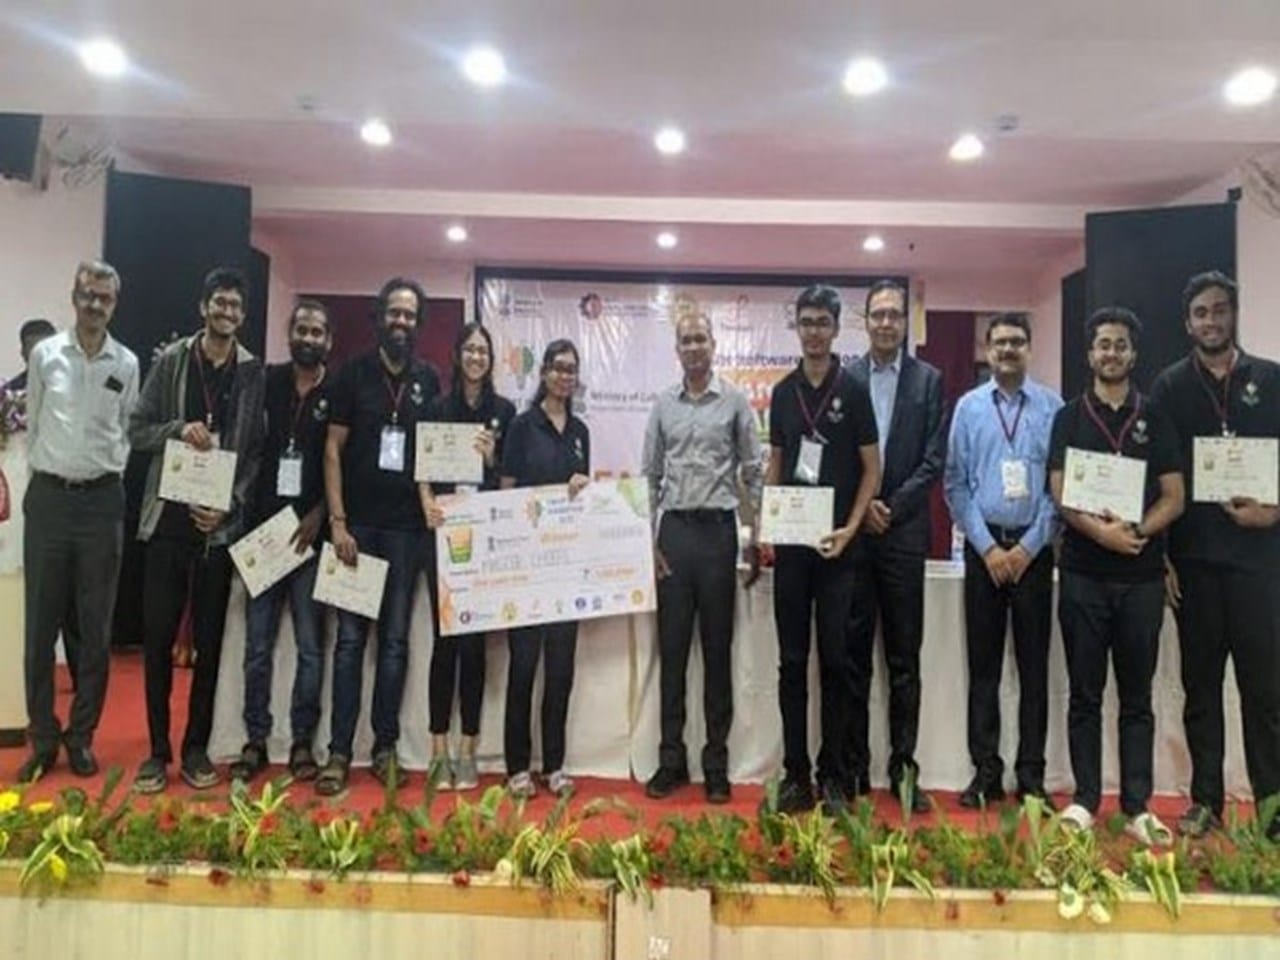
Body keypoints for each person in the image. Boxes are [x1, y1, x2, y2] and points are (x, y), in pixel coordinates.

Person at [1150, 271, 1280, 842]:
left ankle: (1273, 806)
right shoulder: (1169, 386)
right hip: (1194, 564)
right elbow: (1156, 477)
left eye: (1219, 310)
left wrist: (1273, 512)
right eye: (1200, 312)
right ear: (1187, 323)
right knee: (1200, 691)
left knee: (1265, 691)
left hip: (1260, 562)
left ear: (1234, 314)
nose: (1211, 321)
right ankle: (1206, 801)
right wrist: (1162, 558)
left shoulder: (1272, 380)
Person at [129, 266, 266, 793]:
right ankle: (156, 751)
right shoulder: (172, 360)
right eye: (219, 303)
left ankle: (194, 749)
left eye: (235, 306)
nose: (226, 312)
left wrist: (229, 508)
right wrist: (177, 430)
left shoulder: (251, 372)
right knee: (159, 639)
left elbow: (253, 453)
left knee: (209, 644)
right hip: (167, 522)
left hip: (217, 529)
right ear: (203, 307)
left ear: (242, 316)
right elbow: (136, 429)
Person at [1049, 307, 1183, 844]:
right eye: (1103, 344)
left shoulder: (1156, 417)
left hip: (1141, 578)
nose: (1111, 353)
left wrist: (1138, 531)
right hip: (1083, 573)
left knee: (1137, 698)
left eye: (1120, 345)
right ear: (1090, 354)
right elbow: (1059, 490)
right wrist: (1101, 534)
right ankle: (1085, 799)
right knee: (1084, 694)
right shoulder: (1069, 417)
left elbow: (1174, 495)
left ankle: (1136, 805)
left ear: (1133, 353)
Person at [317, 277, 440, 796]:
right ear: (380, 317)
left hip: (407, 531)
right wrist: (338, 522)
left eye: (409, 315)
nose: (401, 322)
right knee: (349, 643)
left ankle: (384, 748)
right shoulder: (353, 373)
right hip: (359, 530)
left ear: (418, 322)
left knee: (394, 644)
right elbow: (332, 450)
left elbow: (435, 451)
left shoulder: (429, 379)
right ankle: (339, 752)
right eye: (394, 312)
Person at [18, 262, 138, 783]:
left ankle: (81, 736)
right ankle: (43, 738)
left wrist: (100, 473)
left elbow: (126, 428)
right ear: (74, 297)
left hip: (101, 504)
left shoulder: (127, 362)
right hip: (49, 500)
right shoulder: (46, 355)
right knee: (40, 628)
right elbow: (34, 424)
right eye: (88, 295)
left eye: (104, 298)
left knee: (94, 630)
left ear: (114, 304)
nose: (95, 305)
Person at [641, 311, 763, 804]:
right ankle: (671, 760)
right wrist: (647, 542)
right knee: (672, 655)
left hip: (717, 534)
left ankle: (716, 764)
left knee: (716, 653)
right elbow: (649, 476)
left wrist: (756, 534)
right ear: (677, 350)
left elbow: (753, 472)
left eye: (700, 339)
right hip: (673, 535)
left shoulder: (734, 402)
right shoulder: (662, 405)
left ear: (714, 345)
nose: (693, 347)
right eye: (685, 340)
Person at [766, 284, 880, 815]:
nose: (813, 332)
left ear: (836, 329)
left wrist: (851, 529)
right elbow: (777, 462)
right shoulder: (782, 392)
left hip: (838, 551)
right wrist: (765, 526)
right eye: (806, 322)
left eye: (822, 322)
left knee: (836, 662)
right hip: (792, 548)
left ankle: (832, 775)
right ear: (797, 326)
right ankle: (795, 775)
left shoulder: (854, 390)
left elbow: (871, 469)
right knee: (791, 663)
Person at [944, 313, 1061, 809]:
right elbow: (955, 483)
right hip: (984, 551)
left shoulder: (1053, 408)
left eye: (1016, 341)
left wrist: (1028, 547)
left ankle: (1031, 776)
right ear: (988, 350)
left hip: (1034, 552)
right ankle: (986, 773)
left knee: (1034, 671)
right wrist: (989, 548)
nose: (1008, 349)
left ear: (1029, 348)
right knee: (984, 669)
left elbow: (1060, 488)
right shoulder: (969, 408)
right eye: (1000, 343)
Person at [845, 280, 945, 813]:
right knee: (855, 659)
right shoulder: (847, 379)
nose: (886, 323)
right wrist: (864, 509)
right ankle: (856, 771)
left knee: (904, 661)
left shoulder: (929, 380)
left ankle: (904, 772)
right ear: (865, 321)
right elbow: (840, 457)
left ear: (905, 322)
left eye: (894, 315)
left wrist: (890, 507)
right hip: (857, 538)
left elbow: (934, 459)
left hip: (904, 538)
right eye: (877, 314)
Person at [229, 300, 333, 783]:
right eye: (302, 329)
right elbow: (244, 447)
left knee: (310, 648)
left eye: (317, 332)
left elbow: (344, 462)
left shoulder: (337, 391)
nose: (308, 338)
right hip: (264, 535)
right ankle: (255, 738)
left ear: (328, 341)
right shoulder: (264, 381)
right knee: (258, 646)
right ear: (290, 334)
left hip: (310, 537)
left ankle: (301, 741)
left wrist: (320, 514)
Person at [419, 322, 515, 790]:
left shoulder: (505, 411)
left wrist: (493, 457)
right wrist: (426, 504)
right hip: (443, 535)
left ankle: (468, 749)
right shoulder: (437, 408)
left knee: (475, 647)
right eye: (470, 349)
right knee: (445, 644)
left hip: (484, 540)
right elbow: (423, 469)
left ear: (490, 360)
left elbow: (509, 477)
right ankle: (438, 749)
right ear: (457, 356)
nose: (477, 357)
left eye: (484, 350)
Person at [499, 338, 591, 799]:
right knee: (523, 668)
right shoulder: (521, 426)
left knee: (560, 671)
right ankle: (517, 767)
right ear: (544, 373)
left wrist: (581, 487)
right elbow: (506, 492)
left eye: (571, 369)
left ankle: (554, 766)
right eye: (557, 367)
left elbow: (585, 496)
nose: (563, 376)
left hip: (567, 568)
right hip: (526, 568)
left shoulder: (580, 431)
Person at [7, 318, 57, 392]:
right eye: (35, 351)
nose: (41, 357)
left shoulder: (70, 384)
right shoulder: (10, 391)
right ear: (23, 352)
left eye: (47, 350)